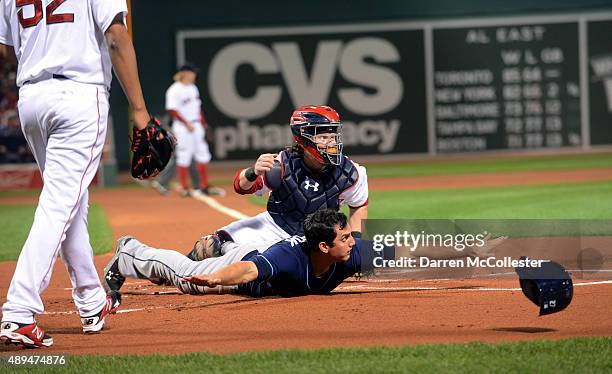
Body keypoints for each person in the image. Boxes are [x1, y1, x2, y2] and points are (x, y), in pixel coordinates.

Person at [0, 0, 152, 348]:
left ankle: (91, 300)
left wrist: (43, 53)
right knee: (59, 203)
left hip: (31, 99)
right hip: (79, 94)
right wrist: (140, 110)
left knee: (69, 199)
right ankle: (20, 310)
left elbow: (7, 48)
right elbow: (116, 36)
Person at [189, 105, 368, 260]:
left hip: (318, 238)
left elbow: (358, 206)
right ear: (303, 138)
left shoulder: (351, 172)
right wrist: (253, 172)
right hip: (274, 226)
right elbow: (241, 187)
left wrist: (358, 244)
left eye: (333, 136)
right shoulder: (281, 164)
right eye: (323, 137)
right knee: (211, 246)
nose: (331, 143)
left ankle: (246, 257)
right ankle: (172, 271)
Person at [104, 210, 387, 298]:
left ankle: (219, 245)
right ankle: (131, 252)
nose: (353, 242)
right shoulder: (289, 256)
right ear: (323, 247)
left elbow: (401, 253)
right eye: (345, 237)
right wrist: (217, 277)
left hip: (251, 255)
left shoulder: (351, 252)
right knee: (188, 279)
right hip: (244, 265)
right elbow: (249, 270)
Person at [165, 63, 224, 197]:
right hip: (183, 127)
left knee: (203, 153)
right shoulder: (174, 89)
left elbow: (198, 109)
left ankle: (204, 186)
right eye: (192, 73)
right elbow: (172, 110)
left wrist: (204, 125)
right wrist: (186, 123)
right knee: (184, 155)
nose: (194, 75)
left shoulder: (193, 88)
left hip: (196, 125)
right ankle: (184, 188)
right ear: (185, 73)